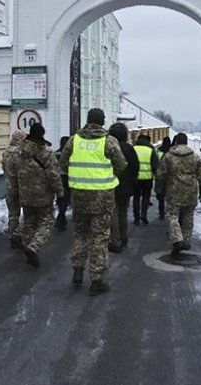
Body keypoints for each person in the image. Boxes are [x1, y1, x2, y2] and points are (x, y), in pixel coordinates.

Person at [59, 108, 127, 295]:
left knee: (80, 233)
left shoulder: (74, 140)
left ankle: (78, 270)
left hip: (79, 197)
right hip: (102, 198)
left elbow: (63, 163)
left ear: (88, 120)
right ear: (102, 121)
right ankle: (97, 280)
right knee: (99, 237)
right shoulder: (109, 141)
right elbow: (121, 165)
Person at [14, 123, 63, 268]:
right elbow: (54, 176)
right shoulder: (47, 153)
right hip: (42, 195)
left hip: (25, 194)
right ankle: (33, 247)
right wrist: (60, 192)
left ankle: (29, 252)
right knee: (47, 222)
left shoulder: (19, 151)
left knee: (29, 222)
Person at [156, 133, 201, 258]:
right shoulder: (195, 157)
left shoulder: (168, 156)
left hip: (173, 191)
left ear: (175, 142)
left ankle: (177, 240)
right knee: (188, 216)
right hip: (190, 191)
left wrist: (159, 190)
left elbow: (161, 175)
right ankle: (186, 241)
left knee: (172, 215)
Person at [107, 122, 138, 253]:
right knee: (123, 212)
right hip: (126, 186)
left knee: (113, 213)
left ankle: (115, 240)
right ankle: (124, 237)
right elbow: (135, 167)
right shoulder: (129, 148)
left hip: (110, 184)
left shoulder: (108, 147)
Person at [2, 130, 26, 250]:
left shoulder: (5, 152)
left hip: (8, 187)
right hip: (20, 187)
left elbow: (3, 168)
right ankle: (19, 236)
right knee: (28, 213)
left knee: (13, 214)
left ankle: (12, 237)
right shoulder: (20, 153)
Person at [132, 134, 159, 225]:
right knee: (145, 197)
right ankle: (144, 215)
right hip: (147, 178)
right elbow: (155, 165)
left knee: (136, 198)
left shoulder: (133, 149)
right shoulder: (150, 150)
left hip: (135, 178)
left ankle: (136, 218)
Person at [54, 136, 71, 230]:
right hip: (67, 177)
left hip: (58, 177)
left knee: (61, 197)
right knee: (66, 197)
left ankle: (61, 216)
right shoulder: (70, 154)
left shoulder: (55, 153)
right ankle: (61, 217)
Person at [155, 137, 172, 220]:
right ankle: (169, 212)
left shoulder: (159, 150)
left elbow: (156, 162)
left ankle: (161, 213)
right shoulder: (172, 152)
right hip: (170, 177)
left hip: (161, 176)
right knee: (170, 197)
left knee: (161, 196)